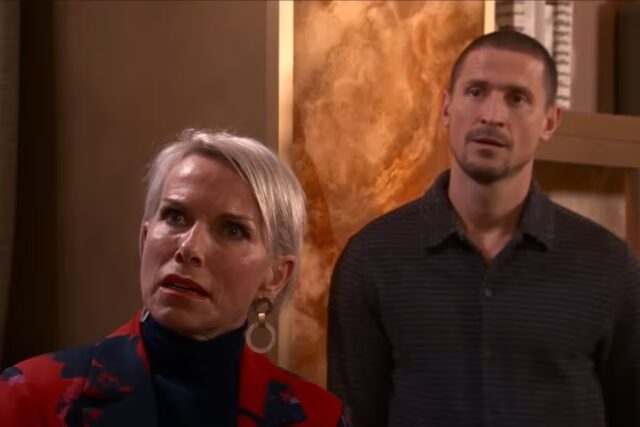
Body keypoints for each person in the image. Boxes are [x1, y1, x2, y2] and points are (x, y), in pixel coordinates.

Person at [327, 30, 640, 427]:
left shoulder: (609, 266)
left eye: (517, 98)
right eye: (476, 92)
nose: (492, 115)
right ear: (446, 108)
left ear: (549, 121)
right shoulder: (372, 260)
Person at [1, 130, 351, 427]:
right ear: (145, 238)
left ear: (275, 276)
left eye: (233, 230)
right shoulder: (30, 395)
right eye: (175, 217)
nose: (189, 248)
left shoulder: (319, 417)